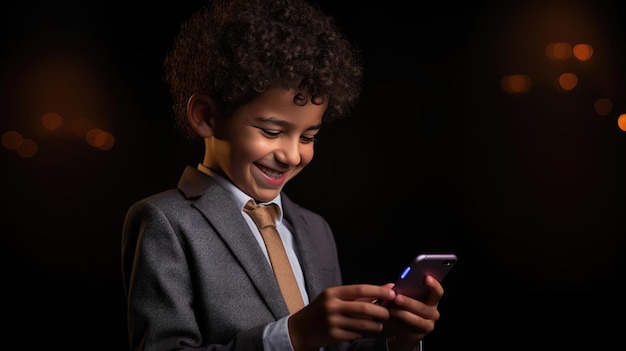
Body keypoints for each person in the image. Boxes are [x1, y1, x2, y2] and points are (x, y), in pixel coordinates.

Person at [121, 0, 445, 350]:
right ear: (206, 116)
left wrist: (398, 340)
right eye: (272, 132)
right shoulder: (166, 222)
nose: (292, 155)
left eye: (308, 137)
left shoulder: (315, 229)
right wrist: (294, 335)